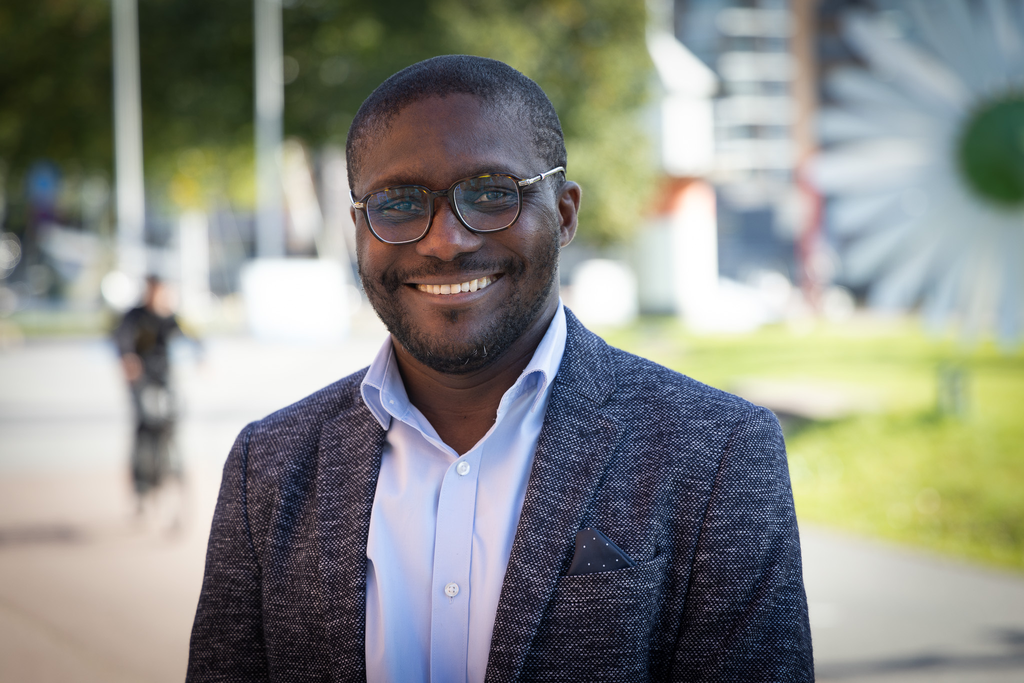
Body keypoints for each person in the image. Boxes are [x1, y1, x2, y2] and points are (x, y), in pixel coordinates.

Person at [187, 55, 813, 681]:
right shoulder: (269, 465)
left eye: (491, 194)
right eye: (398, 202)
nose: (445, 241)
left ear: (564, 214)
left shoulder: (717, 453)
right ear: (358, 227)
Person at [114, 275, 185, 516]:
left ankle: (169, 465)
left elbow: (186, 336)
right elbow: (122, 339)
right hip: (140, 379)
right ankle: (141, 484)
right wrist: (128, 358)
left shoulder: (168, 317)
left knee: (172, 418)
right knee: (144, 423)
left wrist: (201, 355)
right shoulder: (134, 316)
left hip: (162, 377)